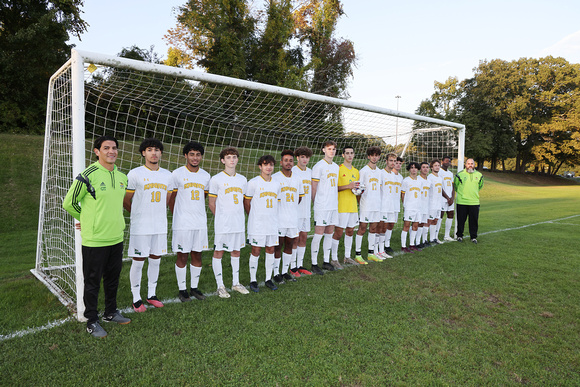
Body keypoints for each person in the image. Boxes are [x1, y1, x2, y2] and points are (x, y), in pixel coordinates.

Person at [63, 135, 130, 338]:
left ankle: (110, 312)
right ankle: (92, 320)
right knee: (92, 281)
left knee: (112, 279)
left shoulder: (121, 177)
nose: (111, 151)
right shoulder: (88, 174)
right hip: (95, 239)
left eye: (114, 148)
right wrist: (84, 218)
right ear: (97, 151)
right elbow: (69, 203)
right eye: (106, 148)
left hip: (116, 237)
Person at [124, 138, 173, 312]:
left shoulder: (168, 175)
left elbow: (167, 200)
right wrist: (138, 215)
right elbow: (126, 199)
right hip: (141, 227)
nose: (154, 153)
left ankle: (151, 294)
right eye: (150, 149)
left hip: (159, 226)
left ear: (161, 153)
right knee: (138, 261)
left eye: (157, 150)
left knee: (155, 260)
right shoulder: (135, 173)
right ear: (143, 153)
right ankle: (136, 297)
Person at [168, 141, 212, 303]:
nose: (195, 158)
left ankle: (194, 288)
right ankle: (182, 290)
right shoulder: (176, 174)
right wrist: (178, 215)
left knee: (197, 254)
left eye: (198, 154)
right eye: (192, 154)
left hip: (199, 222)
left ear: (201, 157)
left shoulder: (206, 176)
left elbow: (204, 196)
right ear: (186, 155)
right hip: (182, 223)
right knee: (182, 255)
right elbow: (171, 199)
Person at [208, 147, 248, 298]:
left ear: (237, 160)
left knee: (236, 251)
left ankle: (236, 283)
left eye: (234, 157)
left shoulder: (242, 179)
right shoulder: (216, 179)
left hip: (238, 222)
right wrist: (221, 217)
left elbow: (243, 201)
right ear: (222, 160)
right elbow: (212, 203)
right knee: (219, 251)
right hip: (223, 224)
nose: (232, 160)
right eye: (229, 157)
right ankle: (220, 286)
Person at [244, 155, 281, 292]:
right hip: (257, 224)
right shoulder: (253, 182)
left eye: (271, 165)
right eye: (266, 164)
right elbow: (247, 202)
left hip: (272, 223)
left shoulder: (277, 184)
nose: (269, 167)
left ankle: (268, 279)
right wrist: (254, 216)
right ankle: (253, 280)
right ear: (260, 166)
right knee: (256, 250)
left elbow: (277, 203)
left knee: (271, 249)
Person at [273, 150, 304, 284]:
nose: (288, 163)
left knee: (290, 244)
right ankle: (276, 273)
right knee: (278, 245)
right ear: (281, 162)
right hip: (279, 219)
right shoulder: (275, 177)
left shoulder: (297, 178)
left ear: (293, 162)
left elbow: (299, 197)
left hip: (292, 218)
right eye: (286, 160)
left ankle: (285, 271)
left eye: (291, 160)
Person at [310, 141, 340, 275]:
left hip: (333, 206)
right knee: (318, 234)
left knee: (329, 233)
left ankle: (326, 261)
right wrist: (315, 202)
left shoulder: (336, 167)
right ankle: (314, 263)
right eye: (329, 149)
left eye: (333, 149)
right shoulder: (318, 166)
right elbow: (314, 186)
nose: (332, 151)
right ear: (323, 150)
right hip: (322, 206)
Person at [331, 145, 361, 266]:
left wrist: (359, 190)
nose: (349, 155)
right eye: (347, 153)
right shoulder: (338, 169)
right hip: (341, 206)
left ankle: (347, 257)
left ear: (354, 155)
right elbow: (334, 188)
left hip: (353, 206)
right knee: (338, 233)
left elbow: (357, 188)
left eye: (351, 153)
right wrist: (347, 186)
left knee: (350, 231)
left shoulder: (356, 171)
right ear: (343, 155)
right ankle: (333, 259)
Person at [356, 146, 386, 262]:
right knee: (362, 228)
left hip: (376, 204)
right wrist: (361, 203)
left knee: (373, 228)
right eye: (372, 155)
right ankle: (358, 254)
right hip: (366, 204)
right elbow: (359, 190)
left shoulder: (380, 172)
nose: (375, 157)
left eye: (377, 155)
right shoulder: (363, 171)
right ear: (369, 156)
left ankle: (370, 253)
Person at [291, 146, 314, 277]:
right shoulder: (293, 171)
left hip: (306, 210)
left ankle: (299, 264)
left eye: (307, 157)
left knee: (304, 237)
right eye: (302, 157)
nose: (305, 160)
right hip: (295, 211)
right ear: (297, 158)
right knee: (295, 238)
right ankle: (292, 266)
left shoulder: (310, 172)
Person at [454, 158, 484, 243]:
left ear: (474, 165)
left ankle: (473, 237)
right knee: (461, 220)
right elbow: (456, 186)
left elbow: (480, 186)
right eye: (468, 163)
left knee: (474, 221)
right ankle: (459, 236)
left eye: (472, 163)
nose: (470, 165)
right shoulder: (459, 175)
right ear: (465, 165)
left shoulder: (479, 175)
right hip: (462, 202)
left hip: (474, 202)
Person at [380, 153, 403, 256]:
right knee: (382, 227)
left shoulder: (396, 176)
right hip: (384, 205)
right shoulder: (381, 173)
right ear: (386, 161)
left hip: (394, 205)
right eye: (391, 161)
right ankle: (379, 248)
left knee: (391, 225)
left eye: (395, 161)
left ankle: (387, 245)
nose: (393, 163)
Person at [400, 162, 422, 253]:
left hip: (418, 207)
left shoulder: (420, 181)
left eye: (415, 168)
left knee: (415, 226)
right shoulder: (406, 180)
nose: (414, 169)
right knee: (406, 226)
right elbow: (402, 194)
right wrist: (405, 205)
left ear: (418, 169)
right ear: (409, 169)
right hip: (409, 207)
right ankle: (403, 246)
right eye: (412, 168)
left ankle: (412, 244)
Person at [427, 159, 444, 244]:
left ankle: (433, 238)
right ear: (431, 167)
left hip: (438, 203)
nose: (437, 167)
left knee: (435, 221)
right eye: (435, 166)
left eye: (438, 165)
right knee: (429, 221)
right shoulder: (430, 177)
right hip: (431, 203)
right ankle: (424, 239)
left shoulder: (440, 178)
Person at [439, 156, 455, 241]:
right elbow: (439, 187)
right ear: (442, 162)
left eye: (449, 161)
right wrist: (447, 198)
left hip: (450, 199)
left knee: (451, 214)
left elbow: (453, 187)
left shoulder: (450, 173)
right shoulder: (439, 172)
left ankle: (447, 235)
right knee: (440, 215)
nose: (447, 163)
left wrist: (452, 198)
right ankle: (435, 236)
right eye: (446, 161)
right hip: (442, 198)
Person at [416, 162, 431, 248]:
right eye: (423, 167)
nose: (425, 169)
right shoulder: (417, 179)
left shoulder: (429, 180)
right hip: (418, 205)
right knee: (417, 223)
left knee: (424, 223)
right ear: (420, 169)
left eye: (427, 167)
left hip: (426, 205)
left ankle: (422, 241)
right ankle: (415, 242)